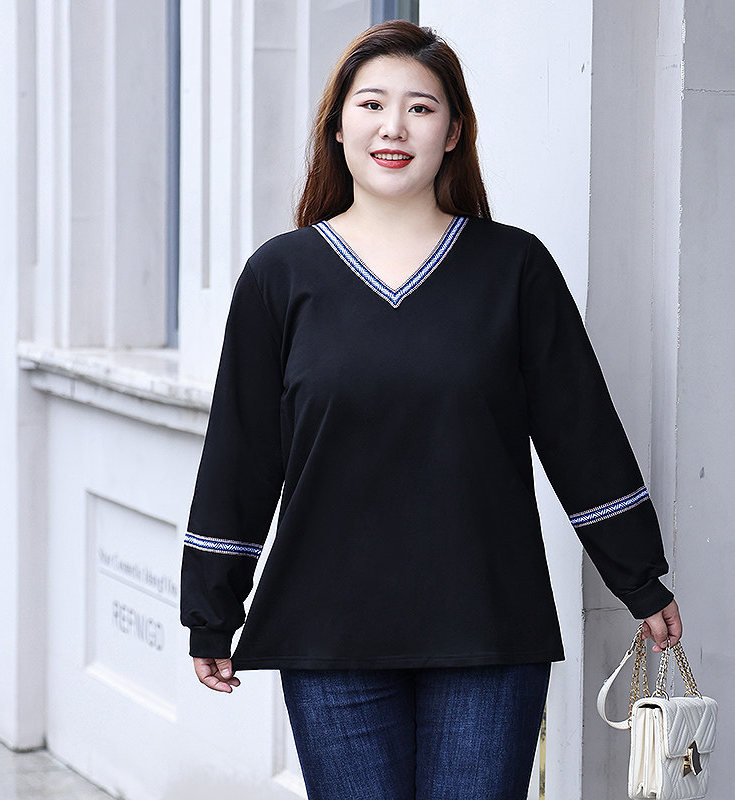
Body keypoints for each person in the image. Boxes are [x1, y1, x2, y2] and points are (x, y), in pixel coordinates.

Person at [180, 19, 682, 800]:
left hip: (488, 631)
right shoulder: (280, 276)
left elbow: (581, 435)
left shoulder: (514, 269)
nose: (393, 127)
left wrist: (641, 578)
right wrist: (211, 608)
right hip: (328, 635)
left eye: (420, 107)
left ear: (452, 133)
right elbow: (240, 456)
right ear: (337, 126)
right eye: (371, 104)